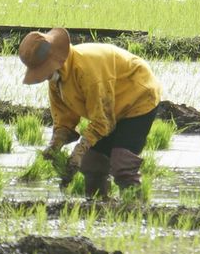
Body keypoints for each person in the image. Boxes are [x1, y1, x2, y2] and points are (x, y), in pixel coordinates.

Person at [21, 28, 161, 200]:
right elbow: (64, 120)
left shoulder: (87, 71)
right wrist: (54, 147)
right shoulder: (57, 79)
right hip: (110, 108)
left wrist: (78, 151)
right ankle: (98, 207)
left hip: (138, 97)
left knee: (122, 164)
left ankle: (136, 210)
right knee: (91, 164)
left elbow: (103, 122)